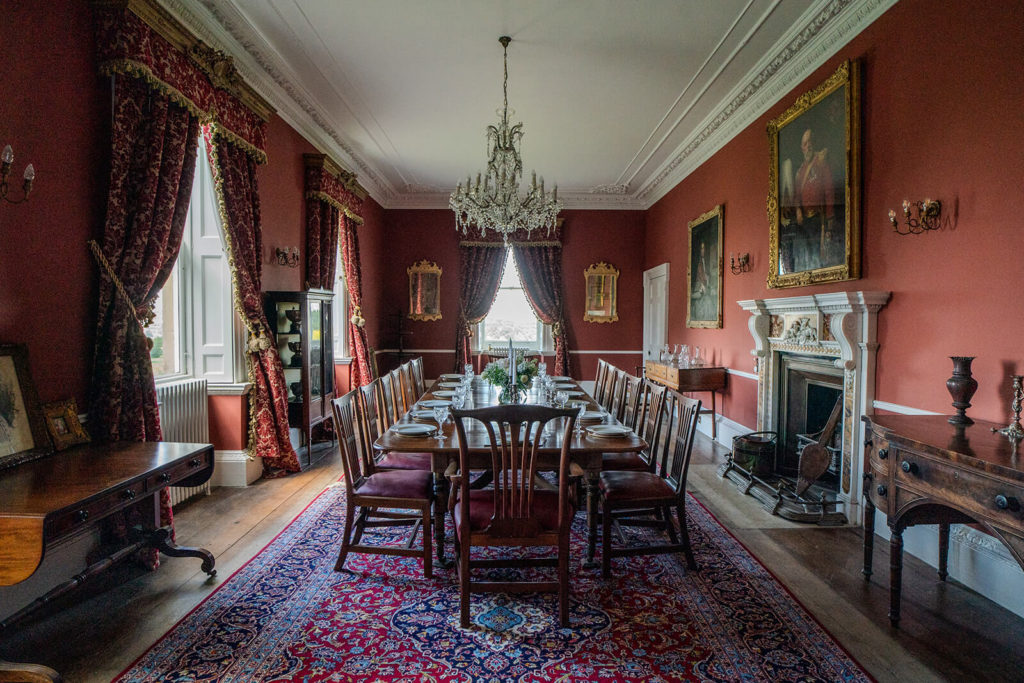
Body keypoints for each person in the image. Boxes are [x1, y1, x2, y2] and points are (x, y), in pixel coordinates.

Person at [793, 128, 841, 268]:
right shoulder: (800, 171)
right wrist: (798, 211)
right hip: (804, 221)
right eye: (805, 143)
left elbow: (829, 191)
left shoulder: (821, 162)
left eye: (810, 141)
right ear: (802, 147)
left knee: (819, 255)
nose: (808, 145)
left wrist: (830, 218)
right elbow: (796, 195)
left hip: (818, 218)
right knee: (806, 254)